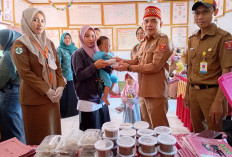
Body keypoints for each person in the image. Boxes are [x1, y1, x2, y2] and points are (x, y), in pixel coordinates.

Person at [11, 8, 65, 145]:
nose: (39, 23)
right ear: (27, 22)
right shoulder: (20, 44)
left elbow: (57, 67)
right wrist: (47, 90)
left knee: (54, 137)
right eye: (34, 20)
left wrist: (60, 86)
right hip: (34, 99)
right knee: (39, 141)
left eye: (42, 20)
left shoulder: (49, 43)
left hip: (53, 99)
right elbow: (25, 73)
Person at [114, 6, 173, 129]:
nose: (149, 25)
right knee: (146, 127)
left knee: (159, 128)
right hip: (142, 90)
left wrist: (128, 68)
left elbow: (155, 66)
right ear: (142, 23)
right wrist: (122, 61)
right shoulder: (144, 42)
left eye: (153, 21)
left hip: (156, 92)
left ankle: (161, 149)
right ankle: (149, 148)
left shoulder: (163, 41)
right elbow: (137, 61)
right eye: (146, 21)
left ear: (160, 24)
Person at [184, 0, 232, 133]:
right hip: (194, 93)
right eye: (197, 13)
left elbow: (226, 73)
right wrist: (187, 93)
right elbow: (190, 68)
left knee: (215, 136)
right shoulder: (192, 38)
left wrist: (218, 102)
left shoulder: (223, 37)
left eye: (205, 12)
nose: (200, 17)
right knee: (198, 133)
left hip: (212, 94)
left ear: (215, 12)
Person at [71, 26, 111, 131]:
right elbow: (79, 75)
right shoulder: (78, 54)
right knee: (91, 134)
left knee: (103, 130)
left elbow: (108, 72)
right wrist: (94, 66)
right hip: (88, 99)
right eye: (87, 36)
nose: (91, 39)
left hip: (101, 97)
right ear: (81, 37)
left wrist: (109, 63)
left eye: (93, 36)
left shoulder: (98, 52)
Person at [0, 29, 26, 143]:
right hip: (18, 91)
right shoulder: (18, 49)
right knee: (17, 125)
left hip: (9, 94)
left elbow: (1, 79)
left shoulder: (8, 55)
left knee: (11, 130)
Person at [57, 33, 79, 118]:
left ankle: (74, 111)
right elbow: (58, 64)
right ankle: (65, 113)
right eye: (65, 38)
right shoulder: (60, 50)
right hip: (65, 76)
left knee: (74, 94)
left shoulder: (75, 49)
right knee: (66, 96)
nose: (67, 40)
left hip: (75, 76)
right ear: (62, 39)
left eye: (69, 38)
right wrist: (61, 76)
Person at [93, 36, 118, 105]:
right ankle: (105, 97)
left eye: (109, 46)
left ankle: (110, 90)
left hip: (108, 71)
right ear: (100, 47)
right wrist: (104, 54)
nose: (108, 48)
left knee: (115, 79)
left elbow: (112, 60)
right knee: (108, 82)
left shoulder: (109, 53)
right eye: (106, 46)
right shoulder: (100, 53)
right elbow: (95, 57)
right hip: (103, 71)